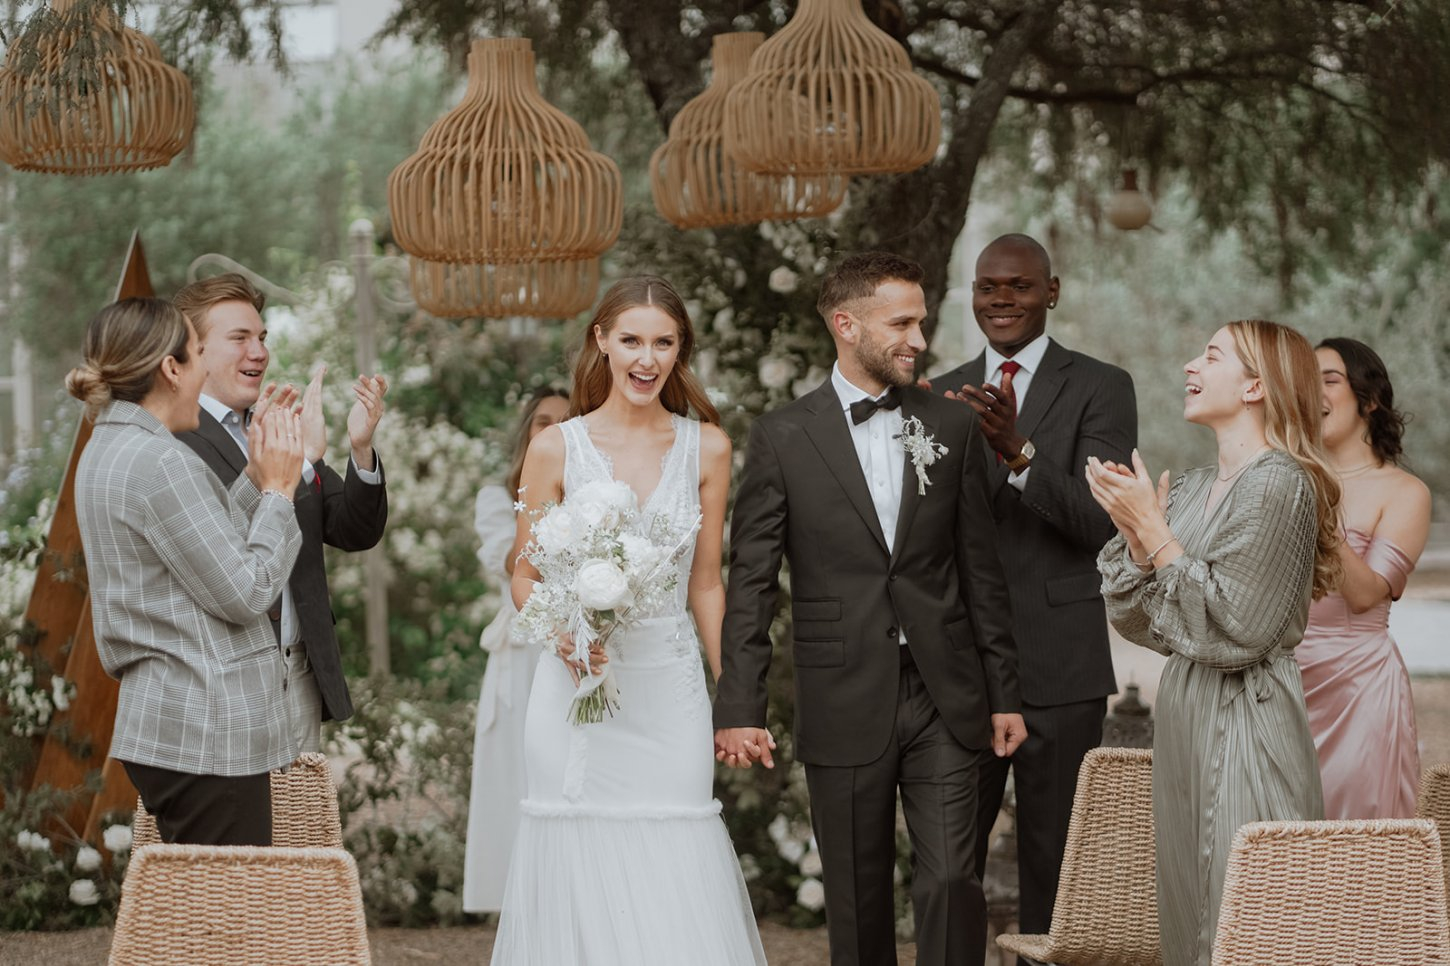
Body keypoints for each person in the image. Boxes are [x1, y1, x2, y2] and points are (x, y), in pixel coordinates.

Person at [716, 252, 1027, 966]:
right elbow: (752, 581)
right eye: (902, 324)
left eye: (921, 323)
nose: (920, 339)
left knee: (952, 879)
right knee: (857, 897)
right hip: (842, 689)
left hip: (945, 692)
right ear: (846, 324)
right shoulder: (782, 437)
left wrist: (1004, 691)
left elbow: (981, 571)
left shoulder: (950, 427)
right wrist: (739, 704)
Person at [491, 277, 766, 965]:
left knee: (673, 863)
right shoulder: (556, 447)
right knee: (575, 866)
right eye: (632, 340)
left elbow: (707, 583)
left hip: (669, 690)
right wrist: (564, 634)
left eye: (664, 343)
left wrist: (735, 697)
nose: (647, 359)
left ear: (680, 350)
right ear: (602, 342)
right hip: (574, 691)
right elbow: (523, 575)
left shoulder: (709, 448)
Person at [1089, 320, 1339, 966]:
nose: (1190, 366)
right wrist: (1138, 540)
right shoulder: (1195, 487)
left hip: (1251, 712)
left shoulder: (1280, 482)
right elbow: (1139, 621)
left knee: (1250, 918)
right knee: (1187, 914)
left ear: (1255, 386)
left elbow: (1241, 629)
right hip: (1185, 712)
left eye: (1212, 355)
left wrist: (1155, 533)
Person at [929, 233, 1136, 953]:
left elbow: (1101, 525)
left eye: (1019, 285)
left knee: (1055, 866)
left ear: (1051, 291)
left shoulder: (1102, 386)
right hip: (962, 666)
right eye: (988, 287)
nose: (1002, 299)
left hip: (1060, 660)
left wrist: (1019, 453)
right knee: (949, 866)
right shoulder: (940, 391)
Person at [68, 297, 305, 846]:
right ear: (171, 369)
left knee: (204, 897)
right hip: (208, 731)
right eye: (198, 353)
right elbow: (248, 591)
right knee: (232, 901)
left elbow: (201, 552)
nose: (205, 372)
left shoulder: (112, 447)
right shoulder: (160, 461)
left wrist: (257, 475)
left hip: (179, 727)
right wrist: (279, 492)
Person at [173, 273, 389, 753]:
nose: (259, 352)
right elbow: (219, 546)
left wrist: (360, 447)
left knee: (301, 805)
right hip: (227, 681)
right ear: (195, 349)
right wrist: (303, 462)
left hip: (302, 673)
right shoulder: (175, 439)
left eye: (262, 337)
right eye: (240, 338)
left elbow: (353, 530)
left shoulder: (276, 426)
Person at [1297, 337, 1429, 818]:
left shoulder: (1405, 492)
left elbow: (1365, 593)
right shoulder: (1286, 477)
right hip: (1281, 682)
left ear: (1369, 400)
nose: (1313, 393)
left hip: (1358, 687)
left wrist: (1321, 507)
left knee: (1357, 838)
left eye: (1329, 380)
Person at [462, 387, 570, 915]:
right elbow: (512, 564)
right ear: (527, 430)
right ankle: (515, 901)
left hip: (574, 647)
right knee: (515, 773)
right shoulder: (496, 498)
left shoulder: (595, 492)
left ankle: (566, 895)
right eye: (543, 421)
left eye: (565, 421)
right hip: (521, 650)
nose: (553, 430)